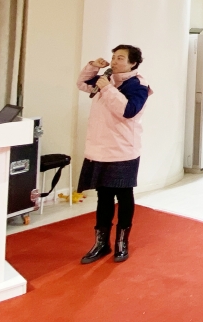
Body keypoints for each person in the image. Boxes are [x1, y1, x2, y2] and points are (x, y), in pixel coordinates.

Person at [76, 44, 152, 264]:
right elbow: (82, 84)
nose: (115, 61)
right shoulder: (106, 79)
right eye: (114, 57)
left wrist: (107, 88)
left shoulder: (138, 85)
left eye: (121, 58)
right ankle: (101, 243)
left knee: (124, 195)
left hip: (122, 149)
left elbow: (128, 111)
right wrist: (93, 67)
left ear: (133, 63)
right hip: (99, 148)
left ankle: (121, 241)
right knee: (104, 196)